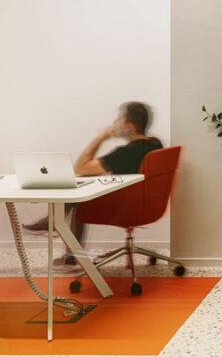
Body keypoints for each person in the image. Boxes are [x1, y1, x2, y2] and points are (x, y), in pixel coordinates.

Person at [23, 102, 163, 268]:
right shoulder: (155, 144)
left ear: (131, 125)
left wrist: (101, 137)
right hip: (149, 205)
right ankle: (53, 227)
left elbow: (81, 168)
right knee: (80, 195)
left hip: (128, 207)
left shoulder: (126, 153)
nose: (115, 124)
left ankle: (62, 239)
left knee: (80, 199)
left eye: (120, 119)